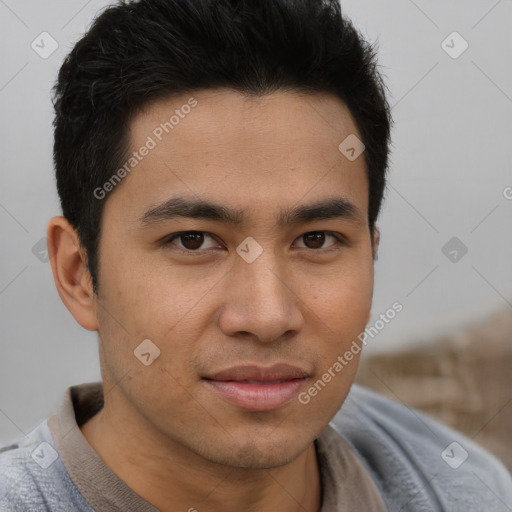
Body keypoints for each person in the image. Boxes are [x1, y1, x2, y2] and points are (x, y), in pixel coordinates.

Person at [1, 0, 511, 510]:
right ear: (78, 274)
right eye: (193, 241)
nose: (268, 317)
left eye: (316, 240)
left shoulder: (462, 491)